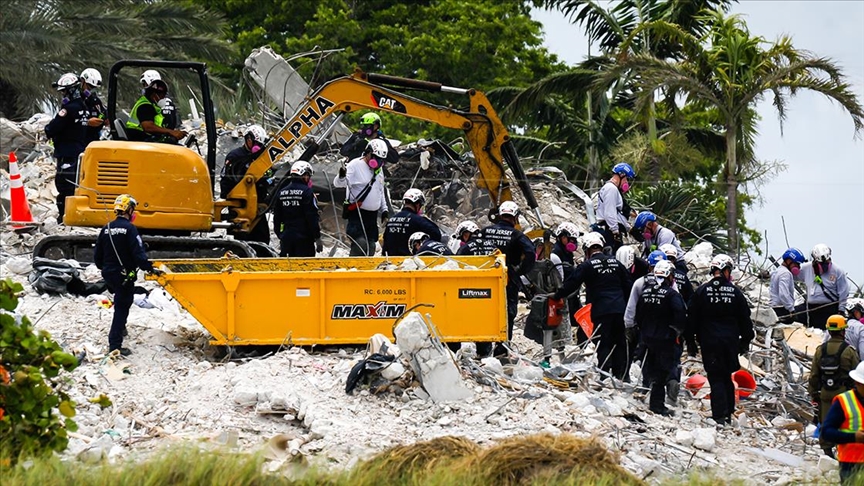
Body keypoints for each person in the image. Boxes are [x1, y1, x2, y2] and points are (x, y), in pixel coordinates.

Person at [685, 254, 755, 425]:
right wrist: (745, 341)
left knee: (715, 377)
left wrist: (691, 341)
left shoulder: (702, 291)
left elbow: (691, 317)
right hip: (730, 342)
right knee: (726, 376)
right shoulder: (735, 292)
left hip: (709, 341)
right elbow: (745, 319)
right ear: (726, 270)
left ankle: (718, 416)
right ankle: (728, 413)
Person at [554, 232, 631, 379]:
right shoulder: (617, 263)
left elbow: (572, 284)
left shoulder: (587, 266)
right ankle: (620, 375)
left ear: (587, 250)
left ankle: (604, 375)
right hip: (619, 309)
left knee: (603, 342)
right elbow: (628, 286)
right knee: (620, 341)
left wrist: (557, 295)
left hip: (601, 310)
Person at [93, 194, 162, 356]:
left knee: (121, 299)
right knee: (122, 307)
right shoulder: (130, 229)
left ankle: (121, 329)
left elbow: (97, 257)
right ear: (129, 210)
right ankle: (115, 345)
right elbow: (138, 254)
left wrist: (107, 269)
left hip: (109, 274)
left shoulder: (106, 228)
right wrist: (150, 268)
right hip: (124, 275)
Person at [477, 200, 536, 356]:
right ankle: (502, 349)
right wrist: (521, 270)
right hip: (508, 279)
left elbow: (472, 247)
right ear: (515, 218)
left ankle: (483, 349)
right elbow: (531, 253)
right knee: (507, 313)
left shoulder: (485, 231)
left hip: (485, 278)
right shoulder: (517, 235)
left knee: (484, 311)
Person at [634, 260, 687, 416]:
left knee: (650, 369)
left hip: (647, 338)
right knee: (662, 373)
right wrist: (678, 334)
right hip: (665, 339)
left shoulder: (645, 292)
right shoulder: (672, 295)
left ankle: (651, 398)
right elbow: (680, 316)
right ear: (669, 276)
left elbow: (638, 315)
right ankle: (657, 405)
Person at [810, 315, 860, 458]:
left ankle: (827, 451)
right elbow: (856, 374)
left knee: (826, 422)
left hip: (825, 393)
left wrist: (814, 394)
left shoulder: (820, 350)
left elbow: (814, 375)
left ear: (829, 331)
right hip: (844, 395)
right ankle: (842, 450)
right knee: (844, 422)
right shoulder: (849, 351)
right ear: (843, 331)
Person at [45, 73, 88, 224]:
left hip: (67, 153)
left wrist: (47, 130)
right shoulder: (83, 107)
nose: (63, 94)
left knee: (64, 185)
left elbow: (53, 128)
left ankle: (64, 217)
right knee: (74, 184)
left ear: (71, 90)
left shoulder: (68, 109)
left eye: (64, 91)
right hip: (78, 151)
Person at [334, 139, 389, 256]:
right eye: (376, 158)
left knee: (371, 247)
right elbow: (339, 184)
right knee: (360, 244)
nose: (379, 162)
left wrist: (384, 210)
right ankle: (353, 265)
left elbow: (380, 191)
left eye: (381, 160)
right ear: (368, 153)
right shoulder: (355, 165)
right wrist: (341, 176)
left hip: (372, 216)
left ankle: (366, 267)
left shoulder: (379, 170)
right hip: (357, 213)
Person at [219, 125, 271, 244]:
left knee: (262, 238)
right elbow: (229, 180)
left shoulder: (260, 158)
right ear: (248, 139)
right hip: (240, 205)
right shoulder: (235, 156)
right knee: (242, 239)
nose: (259, 147)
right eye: (257, 144)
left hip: (257, 203)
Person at [820, 361, 864, 483]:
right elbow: (826, 432)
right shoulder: (844, 402)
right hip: (851, 463)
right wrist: (854, 437)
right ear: (858, 383)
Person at [796, 244, 849, 329]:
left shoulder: (837, 271)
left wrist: (841, 311)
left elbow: (843, 293)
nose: (824, 265)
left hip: (828, 308)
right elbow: (791, 275)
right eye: (821, 263)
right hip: (810, 307)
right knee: (792, 315)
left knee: (822, 330)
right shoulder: (806, 268)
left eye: (826, 262)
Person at [274, 161, 321, 257]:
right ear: (305, 175)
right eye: (308, 175)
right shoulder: (307, 192)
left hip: (286, 238)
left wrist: (281, 235)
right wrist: (317, 237)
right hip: (304, 239)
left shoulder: (281, 192)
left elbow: (277, 217)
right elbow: (312, 217)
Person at [550, 222, 587, 342]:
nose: (573, 243)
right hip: (565, 295)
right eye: (571, 240)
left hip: (571, 294)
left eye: (574, 240)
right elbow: (559, 278)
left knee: (581, 320)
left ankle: (582, 344)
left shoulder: (566, 253)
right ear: (562, 237)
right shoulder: (555, 254)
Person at [382, 188, 441, 256]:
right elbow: (436, 234)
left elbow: (385, 244)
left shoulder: (391, 220)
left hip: (391, 260)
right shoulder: (418, 220)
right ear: (417, 204)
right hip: (411, 260)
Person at [125, 79, 187, 143]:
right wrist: (170, 132)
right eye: (163, 95)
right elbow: (148, 127)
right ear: (154, 94)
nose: (164, 98)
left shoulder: (151, 104)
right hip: (139, 140)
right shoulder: (145, 106)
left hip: (145, 139)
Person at [594, 162, 635, 252]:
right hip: (609, 231)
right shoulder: (611, 189)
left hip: (609, 229)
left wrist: (629, 228)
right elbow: (610, 213)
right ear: (621, 175)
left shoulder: (610, 188)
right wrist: (615, 232)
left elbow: (617, 215)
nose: (626, 183)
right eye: (626, 179)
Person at [770, 247, 807, 324]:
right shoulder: (786, 273)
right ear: (789, 261)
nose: (798, 267)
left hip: (774, 308)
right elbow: (783, 294)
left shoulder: (777, 271)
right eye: (797, 264)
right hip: (781, 309)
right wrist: (791, 310)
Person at [79, 68, 106, 144]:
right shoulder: (73, 100)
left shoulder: (95, 100)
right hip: (78, 141)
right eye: (90, 86)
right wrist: (87, 122)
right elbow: (68, 122)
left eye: (94, 87)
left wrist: (103, 119)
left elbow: (102, 113)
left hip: (93, 140)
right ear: (82, 81)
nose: (91, 90)